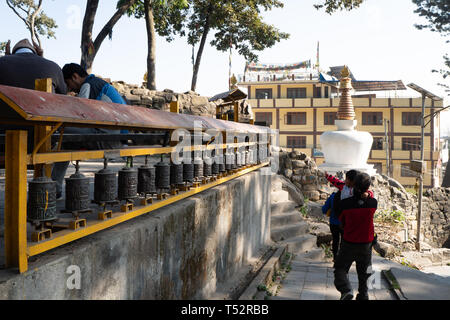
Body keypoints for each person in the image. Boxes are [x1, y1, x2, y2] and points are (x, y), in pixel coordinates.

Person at [51, 63, 125, 198]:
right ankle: (54, 187)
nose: (69, 88)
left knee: (59, 135)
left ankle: (52, 187)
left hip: (107, 138)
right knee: (64, 140)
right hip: (118, 136)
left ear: (75, 77)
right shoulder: (99, 84)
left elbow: (79, 116)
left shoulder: (88, 85)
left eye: (68, 83)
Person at [0, 39, 67, 153]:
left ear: (13, 52)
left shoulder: (2, 62)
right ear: (35, 52)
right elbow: (63, 96)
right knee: (63, 146)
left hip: (4, 138)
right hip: (43, 139)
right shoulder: (54, 66)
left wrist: (6, 58)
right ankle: (49, 171)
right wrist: (42, 58)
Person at [333, 172, 377, 300]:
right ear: (368, 187)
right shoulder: (373, 203)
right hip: (366, 244)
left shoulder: (345, 204)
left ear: (353, 185)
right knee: (365, 273)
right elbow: (368, 199)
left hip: (349, 242)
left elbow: (341, 221)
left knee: (340, 268)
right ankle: (363, 295)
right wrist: (367, 195)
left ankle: (346, 289)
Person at [322, 192, 343, 262]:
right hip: (344, 224)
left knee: (335, 240)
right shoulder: (349, 196)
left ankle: (335, 257)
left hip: (334, 223)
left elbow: (324, 210)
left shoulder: (332, 196)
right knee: (344, 240)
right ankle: (343, 258)